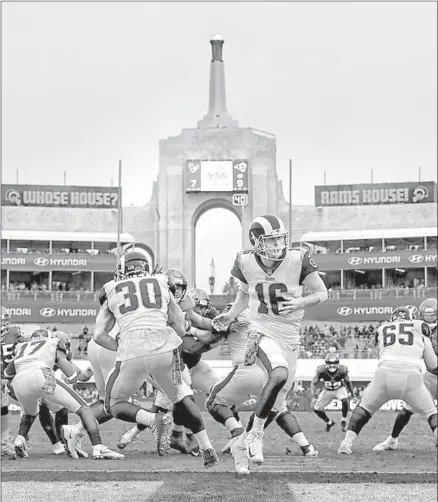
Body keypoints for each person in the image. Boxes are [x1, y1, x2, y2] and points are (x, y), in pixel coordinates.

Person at [213, 214, 327, 471]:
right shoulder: (245, 261)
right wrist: (230, 315)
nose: (277, 245)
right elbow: (244, 294)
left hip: (290, 335)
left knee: (278, 399)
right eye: (271, 240)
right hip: (261, 331)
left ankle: (242, 443)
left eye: (279, 239)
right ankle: (256, 436)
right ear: (256, 241)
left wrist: (300, 302)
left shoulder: (297, 259)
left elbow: (322, 293)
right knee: (278, 373)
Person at [92, 251, 218, 467]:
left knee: (113, 404)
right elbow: (179, 327)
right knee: (182, 397)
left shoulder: (111, 287)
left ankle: (153, 420)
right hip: (165, 350)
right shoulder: (162, 283)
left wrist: (121, 345)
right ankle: (207, 449)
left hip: (131, 352)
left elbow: (98, 336)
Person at [4, 328, 122, 460]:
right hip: (40, 375)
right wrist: (72, 378)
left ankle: (20, 440)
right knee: (83, 407)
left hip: (19, 382)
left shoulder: (22, 346)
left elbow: (7, 373)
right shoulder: (53, 342)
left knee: (30, 413)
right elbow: (70, 374)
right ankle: (98, 447)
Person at [338, 305, 438, 454]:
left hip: (384, 374)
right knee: (431, 413)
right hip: (411, 376)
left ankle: (346, 443)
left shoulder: (382, 328)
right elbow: (432, 364)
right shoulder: (419, 325)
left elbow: (383, 354)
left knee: (364, 408)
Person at [373, 298, 438, 451]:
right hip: (431, 375)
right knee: (407, 409)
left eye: (432, 314)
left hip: (431, 371)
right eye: (426, 315)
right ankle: (392, 440)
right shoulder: (416, 327)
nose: (429, 318)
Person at [1, 307, 25, 459]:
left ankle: (4, 443)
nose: (5, 323)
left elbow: (24, 348)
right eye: (3, 319)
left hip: (6, 377)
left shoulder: (15, 332)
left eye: (6, 319)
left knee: (3, 407)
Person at [310, 353, 354, 432]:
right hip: (327, 390)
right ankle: (329, 422)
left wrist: (352, 394)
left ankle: (343, 420)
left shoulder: (342, 370)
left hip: (339, 389)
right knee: (316, 408)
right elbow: (313, 383)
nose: (332, 365)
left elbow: (348, 382)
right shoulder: (322, 370)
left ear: (338, 363)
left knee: (345, 400)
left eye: (334, 363)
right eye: (330, 363)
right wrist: (313, 395)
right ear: (326, 363)